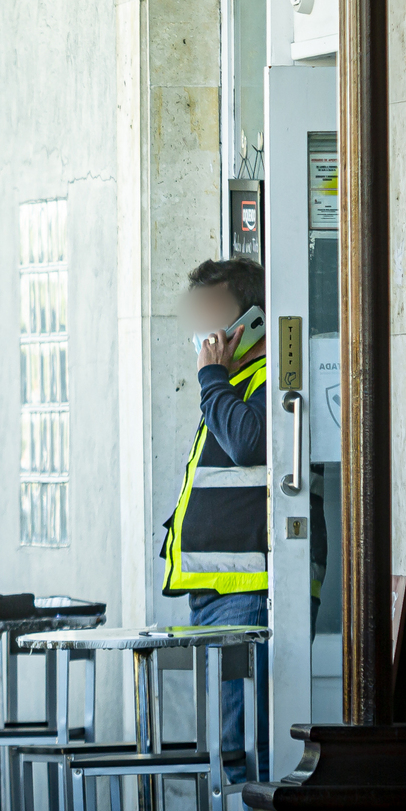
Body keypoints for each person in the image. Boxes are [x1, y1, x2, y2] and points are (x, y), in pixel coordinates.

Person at [161, 257, 270, 784]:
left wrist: (211, 378)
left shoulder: (267, 380)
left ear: (251, 320)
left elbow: (248, 443)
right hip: (217, 593)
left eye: (212, 314)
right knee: (230, 755)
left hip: (248, 592)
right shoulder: (232, 385)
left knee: (250, 750)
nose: (202, 330)